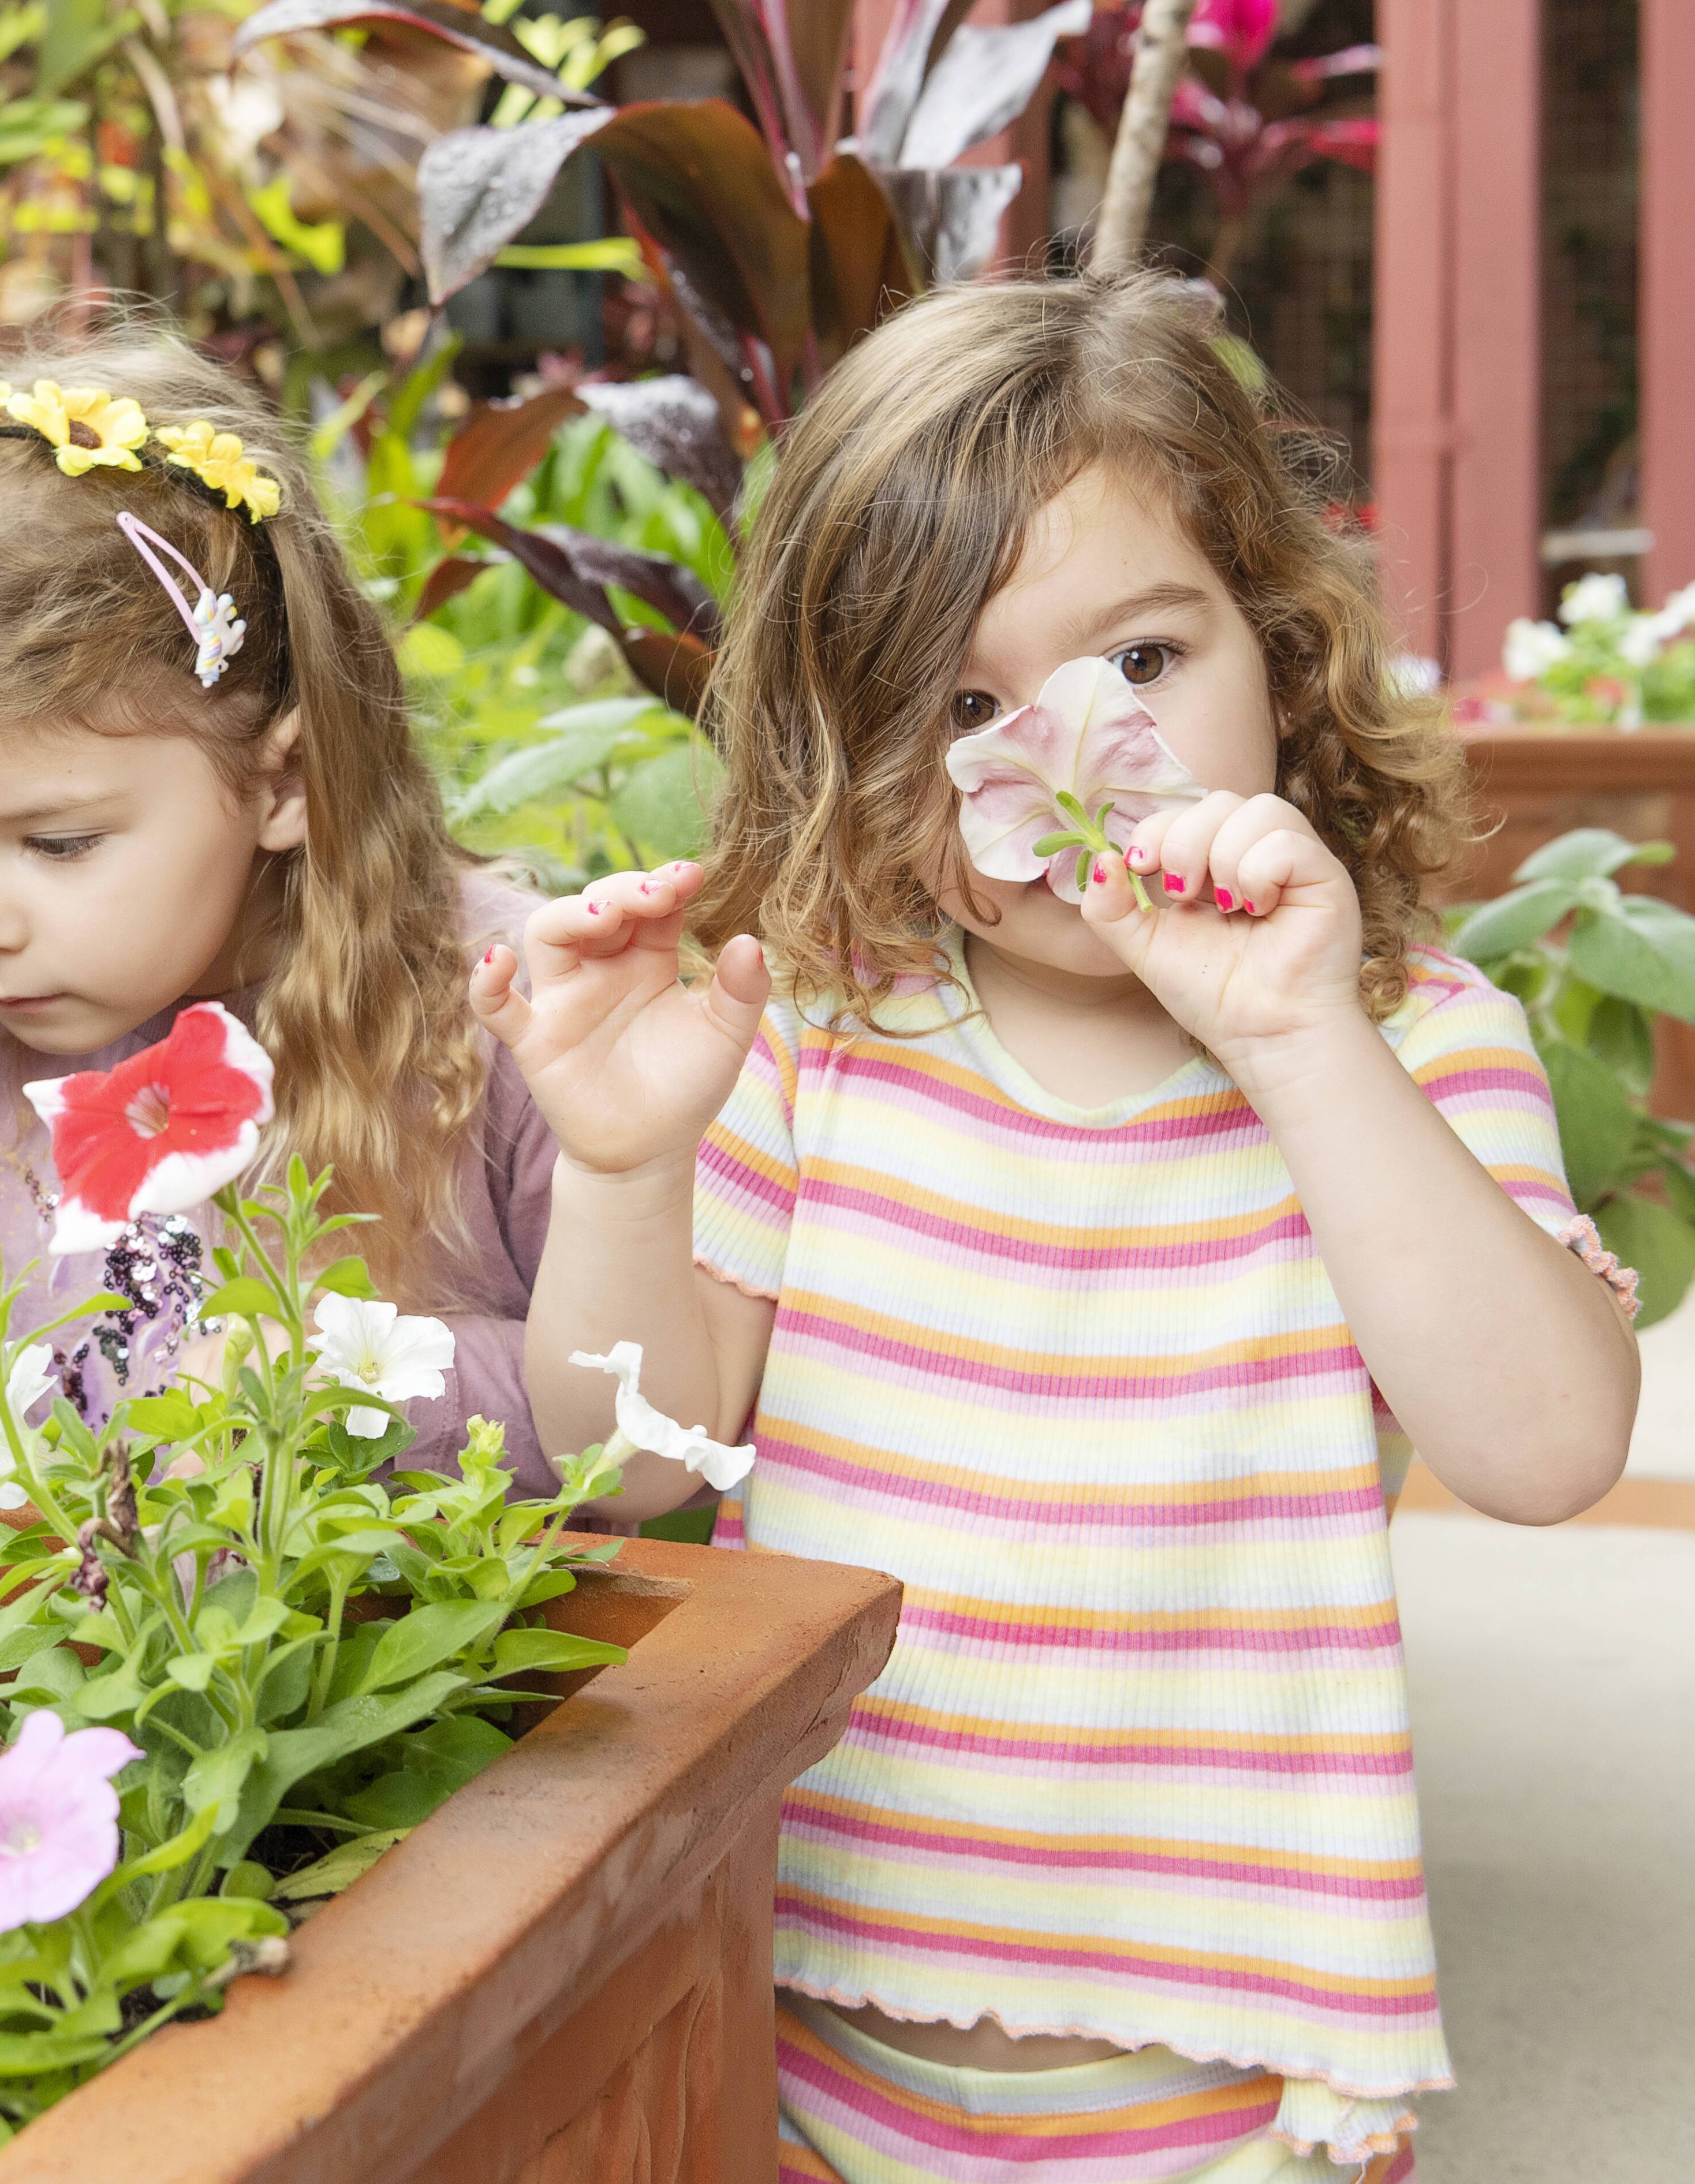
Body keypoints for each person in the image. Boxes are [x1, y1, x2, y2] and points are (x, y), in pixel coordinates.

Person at [479, 276, 1640, 2182]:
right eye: (960, 705)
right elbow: (620, 1468)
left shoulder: (1407, 1042)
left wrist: (1293, 1037)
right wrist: (616, 1171)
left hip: (1226, 2085)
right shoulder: (831, 1037)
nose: (1066, 761)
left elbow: (1541, 1448)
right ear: (859, 745)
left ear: (1273, 643)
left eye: (1145, 659)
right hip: (806, 2022)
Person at [0, 330, 568, 1483]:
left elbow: (644, 1400)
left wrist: (332, 1376)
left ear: (281, 782)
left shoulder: (502, 1005)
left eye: (55, 843)